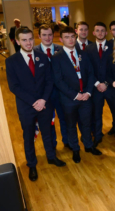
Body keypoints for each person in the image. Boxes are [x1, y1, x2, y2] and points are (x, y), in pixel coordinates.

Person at [6, 27, 66, 181]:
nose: (28, 42)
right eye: (24, 40)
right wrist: (34, 102)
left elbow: (49, 80)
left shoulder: (42, 57)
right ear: (18, 41)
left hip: (44, 104)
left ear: (34, 39)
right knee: (28, 136)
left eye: (30, 39)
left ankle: (51, 156)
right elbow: (14, 87)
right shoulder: (11, 61)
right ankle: (31, 164)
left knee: (48, 132)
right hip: (26, 106)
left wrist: (43, 100)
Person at [51, 26, 102, 163]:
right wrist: (75, 95)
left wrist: (88, 92)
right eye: (66, 37)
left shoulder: (83, 54)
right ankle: (75, 149)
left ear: (75, 37)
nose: (70, 39)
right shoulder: (57, 58)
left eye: (72, 36)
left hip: (86, 97)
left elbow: (91, 74)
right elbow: (58, 80)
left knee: (86, 124)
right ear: (61, 39)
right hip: (69, 99)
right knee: (71, 125)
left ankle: (88, 146)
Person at [85, 22, 115, 147]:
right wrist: (97, 83)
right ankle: (97, 136)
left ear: (106, 33)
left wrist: (106, 83)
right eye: (97, 30)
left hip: (110, 86)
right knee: (97, 114)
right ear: (93, 33)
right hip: (96, 88)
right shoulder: (88, 48)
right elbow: (88, 69)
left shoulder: (113, 46)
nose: (100, 33)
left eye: (102, 30)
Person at [33, 24, 69, 150]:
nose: (47, 38)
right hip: (44, 94)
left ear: (53, 35)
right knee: (48, 121)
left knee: (64, 118)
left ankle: (67, 141)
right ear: (39, 36)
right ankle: (52, 145)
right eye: (44, 35)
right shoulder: (34, 52)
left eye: (50, 34)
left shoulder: (62, 49)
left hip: (61, 92)